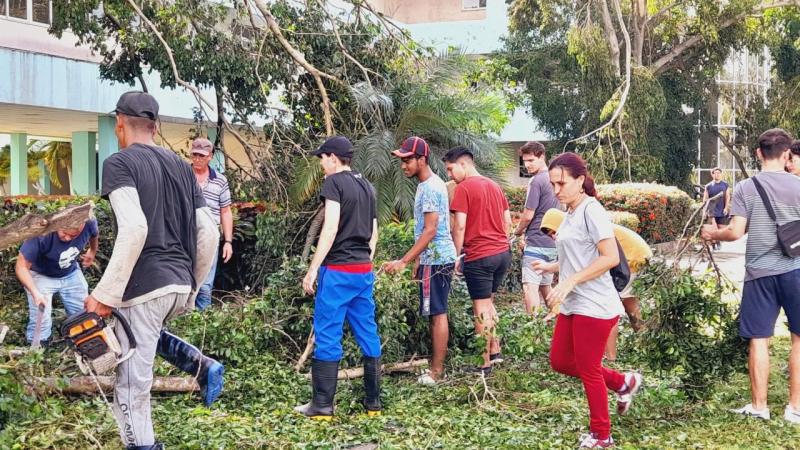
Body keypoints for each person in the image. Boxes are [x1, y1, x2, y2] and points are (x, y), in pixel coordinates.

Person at [84, 91, 222, 450]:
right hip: (177, 282)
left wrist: (104, 295)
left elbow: (134, 229)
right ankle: (201, 365)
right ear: (156, 128)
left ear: (119, 125)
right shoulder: (181, 167)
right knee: (142, 338)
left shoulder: (119, 163)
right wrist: (191, 285)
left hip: (144, 286)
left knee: (131, 383)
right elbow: (209, 231)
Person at [532, 152, 642, 449]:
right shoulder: (569, 212)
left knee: (589, 368)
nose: (556, 190)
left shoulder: (591, 210)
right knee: (560, 361)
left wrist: (569, 281)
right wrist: (553, 268)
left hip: (595, 303)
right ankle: (623, 382)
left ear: (580, 180)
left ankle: (602, 436)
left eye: (562, 183)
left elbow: (609, 258)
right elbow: (578, 256)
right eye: (553, 184)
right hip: (574, 301)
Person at [702, 128, 800, 424]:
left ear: (758, 153)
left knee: (759, 339)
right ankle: (795, 408)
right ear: (786, 155)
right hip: (796, 270)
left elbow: (734, 232)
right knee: (799, 339)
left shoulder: (746, 187)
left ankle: (760, 406)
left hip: (758, 273)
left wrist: (712, 232)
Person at [297, 136, 382, 420]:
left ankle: (322, 405)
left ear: (333, 158)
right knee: (367, 331)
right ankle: (373, 404)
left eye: (322, 158)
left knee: (328, 332)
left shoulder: (334, 183)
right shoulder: (367, 186)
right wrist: (365, 262)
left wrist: (312, 269)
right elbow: (373, 233)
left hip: (337, 271)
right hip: (363, 270)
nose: (321, 164)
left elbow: (330, 228)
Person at [383, 137, 457, 385]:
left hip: (437, 259)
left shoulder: (430, 188)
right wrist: (418, 261)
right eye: (401, 161)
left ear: (421, 159)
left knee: (437, 313)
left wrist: (404, 261)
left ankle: (436, 372)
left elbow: (430, 230)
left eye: (407, 160)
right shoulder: (428, 185)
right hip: (433, 258)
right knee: (435, 312)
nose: (403, 166)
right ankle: (435, 367)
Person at [539, 208, 652, 361]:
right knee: (626, 307)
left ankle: (611, 356)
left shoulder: (579, 233)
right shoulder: (575, 230)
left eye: (553, 231)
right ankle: (645, 345)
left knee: (608, 307)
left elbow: (579, 267)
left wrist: (558, 307)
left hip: (633, 259)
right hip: (632, 256)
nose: (553, 236)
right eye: (549, 234)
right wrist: (547, 267)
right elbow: (574, 263)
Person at [443, 146, 511, 376]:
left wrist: (455, 255)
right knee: (488, 303)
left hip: (480, 255)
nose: (450, 175)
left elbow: (459, 225)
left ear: (464, 164)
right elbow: (507, 221)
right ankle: (495, 350)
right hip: (502, 253)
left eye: (451, 169)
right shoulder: (494, 185)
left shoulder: (464, 189)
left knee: (480, 308)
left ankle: (483, 364)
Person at [15, 220, 98, 346]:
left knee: (83, 313)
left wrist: (92, 251)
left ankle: (84, 344)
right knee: (41, 319)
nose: (67, 238)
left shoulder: (89, 222)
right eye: (64, 233)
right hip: (41, 276)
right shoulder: (41, 234)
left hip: (71, 273)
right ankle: (37, 351)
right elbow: (21, 267)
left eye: (73, 236)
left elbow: (94, 234)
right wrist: (36, 293)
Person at [512, 141, 560, 317]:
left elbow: (528, 216)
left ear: (542, 156)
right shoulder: (555, 179)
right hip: (553, 243)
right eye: (524, 161)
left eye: (531, 160)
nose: (527, 165)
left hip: (536, 241)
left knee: (529, 287)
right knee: (545, 286)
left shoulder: (536, 181)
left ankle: (534, 331)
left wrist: (516, 232)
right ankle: (561, 320)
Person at [190, 137, 233, 310]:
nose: (197, 159)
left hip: (210, 236)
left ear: (210, 156)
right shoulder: (181, 175)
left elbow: (226, 211)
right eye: (195, 155)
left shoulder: (220, 180)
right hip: (184, 235)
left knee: (205, 285)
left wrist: (228, 241)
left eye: (202, 155)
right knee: (183, 282)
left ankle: (201, 326)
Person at [703, 167, 731, 250]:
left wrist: (726, 208)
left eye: (719, 173)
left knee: (721, 229)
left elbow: (728, 197)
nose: (717, 174)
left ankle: (717, 241)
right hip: (711, 211)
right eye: (715, 173)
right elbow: (705, 199)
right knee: (714, 228)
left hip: (722, 209)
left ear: (721, 174)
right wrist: (705, 210)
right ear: (712, 174)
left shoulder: (725, 185)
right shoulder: (708, 186)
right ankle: (714, 244)